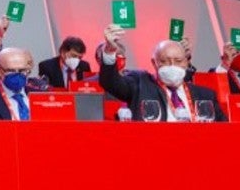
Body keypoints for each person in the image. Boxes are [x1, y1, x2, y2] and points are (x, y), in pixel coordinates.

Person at [96, 24, 225, 122]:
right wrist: (109, 51)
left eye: (178, 61)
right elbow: (110, 82)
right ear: (154, 63)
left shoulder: (205, 95)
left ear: (186, 63)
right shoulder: (140, 83)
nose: (172, 66)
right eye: (165, 61)